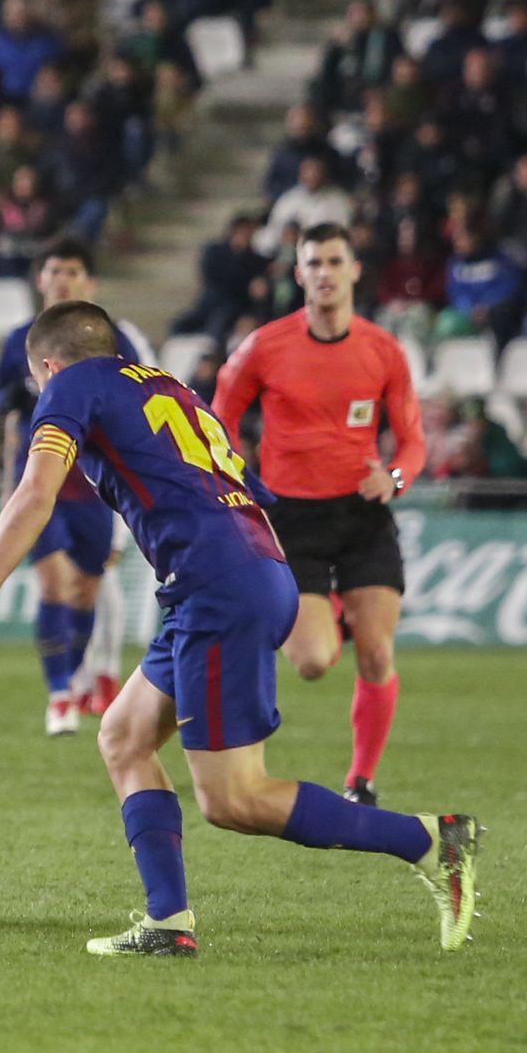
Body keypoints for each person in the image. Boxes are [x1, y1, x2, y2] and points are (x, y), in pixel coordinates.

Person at [0, 299, 480, 957]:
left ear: (47, 364)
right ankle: (168, 921)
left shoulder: (69, 384)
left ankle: (432, 840)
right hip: (241, 569)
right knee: (123, 736)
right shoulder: (166, 384)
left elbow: (36, 491)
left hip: (217, 586)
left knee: (235, 798)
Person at [213, 222, 426, 807]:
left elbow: (413, 444)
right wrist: (237, 478)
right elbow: (218, 419)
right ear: (299, 273)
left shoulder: (384, 351)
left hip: (362, 513)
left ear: (355, 270)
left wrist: (396, 479)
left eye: (335, 261)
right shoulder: (265, 345)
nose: (326, 272)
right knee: (311, 662)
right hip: (292, 518)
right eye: (314, 263)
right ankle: (329, 608)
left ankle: (361, 780)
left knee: (378, 652)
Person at [0, 238, 140, 735]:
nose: (62, 279)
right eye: (54, 270)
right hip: (40, 481)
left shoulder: (112, 337)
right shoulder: (19, 341)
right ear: (40, 279)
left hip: (94, 484)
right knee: (54, 583)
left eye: (73, 271)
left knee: (85, 592)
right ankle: (59, 694)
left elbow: (141, 390)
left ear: (89, 282)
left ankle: (75, 679)